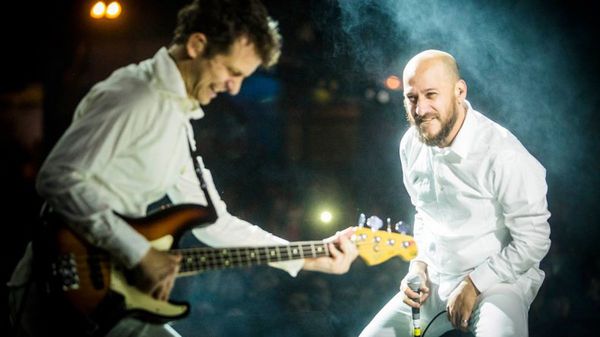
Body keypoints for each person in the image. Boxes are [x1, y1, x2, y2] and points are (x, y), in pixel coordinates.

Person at [7, 1, 358, 336]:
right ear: (196, 44)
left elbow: (214, 224)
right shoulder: (136, 95)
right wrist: (140, 252)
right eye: (231, 71)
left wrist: (311, 256)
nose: (233, 88)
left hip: (106, 291)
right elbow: (57, 177)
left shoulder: (176, 117)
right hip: (57, 289)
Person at [359, 50, 551, 337]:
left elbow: (534, 241)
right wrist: (419, 265)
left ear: (459, 91)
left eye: (431, 95)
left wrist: (474, 283)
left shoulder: (503, 153)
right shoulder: (410, 144)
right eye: (412, 98)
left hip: (498, 282)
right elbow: (424, 214)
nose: (420, 109)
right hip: (435, 279)